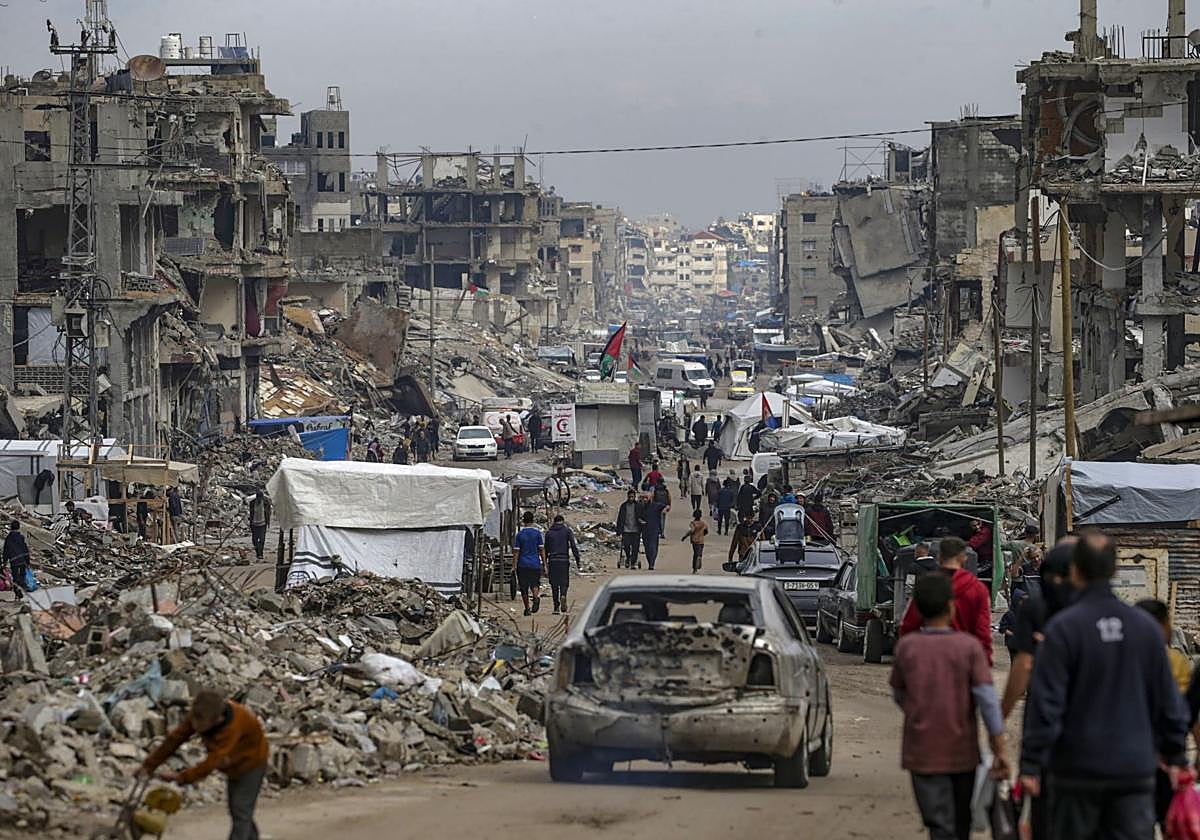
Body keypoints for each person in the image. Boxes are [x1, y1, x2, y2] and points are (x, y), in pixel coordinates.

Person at [1019, 532, 1189, 840]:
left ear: (1075, 570)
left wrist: (1031, 763)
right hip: (1134, 770)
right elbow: (1167, 700)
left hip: (1076, 771)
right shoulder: (1145, 629)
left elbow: (1046, 704)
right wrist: (1176, 754)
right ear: (1113, 570)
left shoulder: (1063, 629)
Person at [891, 573, 1008, 840]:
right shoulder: (969, 647)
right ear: (951, 606)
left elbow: (898, 693)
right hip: (962, 752)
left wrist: (918, 713)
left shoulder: (907, 647)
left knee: (939, 825)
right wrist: (998, 745)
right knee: (960, 823)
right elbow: (987, 699)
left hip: (921, 753)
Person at [140, 689, 269, 840]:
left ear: (218, 720)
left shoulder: (234, 726)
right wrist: (149, 765)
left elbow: (212, 762)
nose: (195, 727)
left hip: (252, 763)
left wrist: (182, 777)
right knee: (239, 810)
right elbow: (174, 739)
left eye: (200, 726)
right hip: (231, 765)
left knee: (240, 808)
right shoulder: (201, 714)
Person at [899, 537, 992, 665]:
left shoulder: (926, 584)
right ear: (963, 558)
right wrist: (984, 659)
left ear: (940, 557)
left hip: (930, 656)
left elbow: (909, 624)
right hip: (963, 657)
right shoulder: (977, 588)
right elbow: (982, 629)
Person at [544, 514, 581, 615]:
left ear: (554, 522)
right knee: (564, 582)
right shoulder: (567, 531)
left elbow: (546, 549)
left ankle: (556, 607)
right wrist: (577, 560)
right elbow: (573, 546)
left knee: (554, 584)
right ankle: (563, 595)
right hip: (564, 560)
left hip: (553, 560)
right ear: (563, 521)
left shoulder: (549, 533)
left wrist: (544, 564)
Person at [511, 511, 546, 616]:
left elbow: (516, 552)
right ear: (533, 520)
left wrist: (514, 566)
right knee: (535, 584)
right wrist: (545, 564)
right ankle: (535, 597)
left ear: (523, 521)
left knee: (524, 588)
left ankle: (527, 608)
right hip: (535, 564)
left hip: (522, 564)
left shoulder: (520, 535)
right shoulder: (537, 534)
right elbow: (541, 550)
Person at [614, 490, 645, 570]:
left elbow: (642, 516)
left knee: (635, 547)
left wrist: (642, 523)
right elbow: (620, 518)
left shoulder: (638, 506)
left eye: (632, 497)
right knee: (626, 545)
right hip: (626, 530)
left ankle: (633, 562)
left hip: (636, 530)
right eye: (630, 497)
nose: (631, 498)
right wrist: (618, 530)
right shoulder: (624, 506)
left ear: (634, 497)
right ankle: (628, 557)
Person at [642, 490, 668, 571]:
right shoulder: (641, 506)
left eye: (646, 498)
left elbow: (666, 506)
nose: (645, 499)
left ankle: (652, 563)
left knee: (653, 547)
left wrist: (665, 510)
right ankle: (650, 562)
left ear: (650, 498)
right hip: (644, 530)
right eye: (643, 498)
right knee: (647, 547)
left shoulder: (656, 505)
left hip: (654, 530)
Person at [4, 521, 31, 595]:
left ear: (11, 527)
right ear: (18, 528)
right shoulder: (21, 537)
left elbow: (6, 551)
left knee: (15, 576)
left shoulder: (8, 538)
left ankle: (17, 590)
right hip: (22, 559)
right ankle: (23, 586)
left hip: (13, 560)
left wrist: (4, 562)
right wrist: (28, 561)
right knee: (22, 574)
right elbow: (25, 549)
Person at [682, 509, 708, 573]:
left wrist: (685, 536)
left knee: (695, 554)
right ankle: (699, 560)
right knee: (699, 553)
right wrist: (702, 534)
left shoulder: (692, 523)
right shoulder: (703, 523)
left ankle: (695, 568)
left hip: (695, 541)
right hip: (701, 541)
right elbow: (706, 531)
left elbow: (692, 530)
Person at [248, 491, 271, 561]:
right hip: (254, 524)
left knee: (262, 539)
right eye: (258, 498)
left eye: (260, 498)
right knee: (254, 540)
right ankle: (258, 551)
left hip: (263, 524)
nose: (259, 500)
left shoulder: (266, 502)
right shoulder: (252, 503)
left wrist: (268, 522)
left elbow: (269, 512)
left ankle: (260, 554)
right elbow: (251, 513)